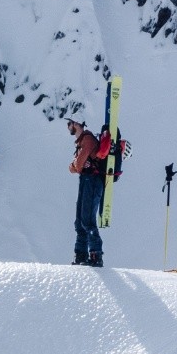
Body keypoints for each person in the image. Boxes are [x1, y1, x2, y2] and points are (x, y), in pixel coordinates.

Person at [67, 114, 110, 267]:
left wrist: (73, 166)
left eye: (70, 123)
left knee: (87, 220)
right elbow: (79, 166)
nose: (69, 126)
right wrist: (76, 166)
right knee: (80, 221)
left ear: (76, 124)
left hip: (92, 181)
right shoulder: (82, 141)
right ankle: (81, 255)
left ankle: (95, 254)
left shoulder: (88, 140)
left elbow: (77, 166)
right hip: (86, 180)